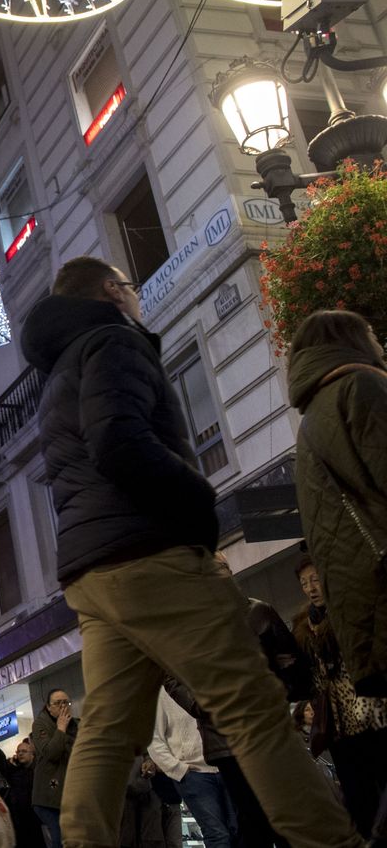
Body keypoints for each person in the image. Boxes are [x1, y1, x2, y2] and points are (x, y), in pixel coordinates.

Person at [20, 256, 363, 848]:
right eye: (128, 285)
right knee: (251, 706)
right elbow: (120, 442)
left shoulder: (60, 373)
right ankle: (331, 842)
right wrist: (198, 502)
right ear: (110, 290)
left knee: (106, 726)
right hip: (150, 551)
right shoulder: (111, 340)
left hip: (92, 570)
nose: (134, 296)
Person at [162, 550, 310, 848]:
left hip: (268, 731)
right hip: (224, 739)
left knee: (286, 812)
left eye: (222, 568)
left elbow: (292, 667)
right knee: (251, 817)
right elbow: (171, 676)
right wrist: (202, 704)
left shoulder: (259, 613)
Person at [288, 309, 387, 699]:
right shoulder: (361, 386)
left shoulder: (312, 418)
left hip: (364, 603)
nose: (377, 341)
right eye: (371, 333)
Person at [290, 555, 387, 840]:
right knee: (359, 803)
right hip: (338, 728)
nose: (311, 588)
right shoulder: (302, 628)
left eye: (316, 580)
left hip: (373, 717)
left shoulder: (354, 612)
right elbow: (302, 682)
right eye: (304, 583)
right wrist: (303, 710)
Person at [148, 687, 235, 847]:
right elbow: (154, 739)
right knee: (217, 833)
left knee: (238, 830)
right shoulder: (162, 694)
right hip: (194, 774)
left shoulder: (210, 682)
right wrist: (178, 769)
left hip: (228, 765)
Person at [30, 688, 77, 847]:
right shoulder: (40, 724)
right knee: (60, 837)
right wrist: (61, 728)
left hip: (72, 794)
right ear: (49, 707)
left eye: (66, 702)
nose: (63, 706)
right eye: (58, 703)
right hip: (49, 796)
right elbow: (51, 753)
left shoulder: (77, 724)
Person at [6, 739, 47, 848]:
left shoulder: (40, 770)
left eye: (23, 751)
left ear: (32, 754)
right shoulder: (16, 772)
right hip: (21, 821)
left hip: (39, 820)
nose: (20, 754)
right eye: (18, 752)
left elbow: (53, 784)